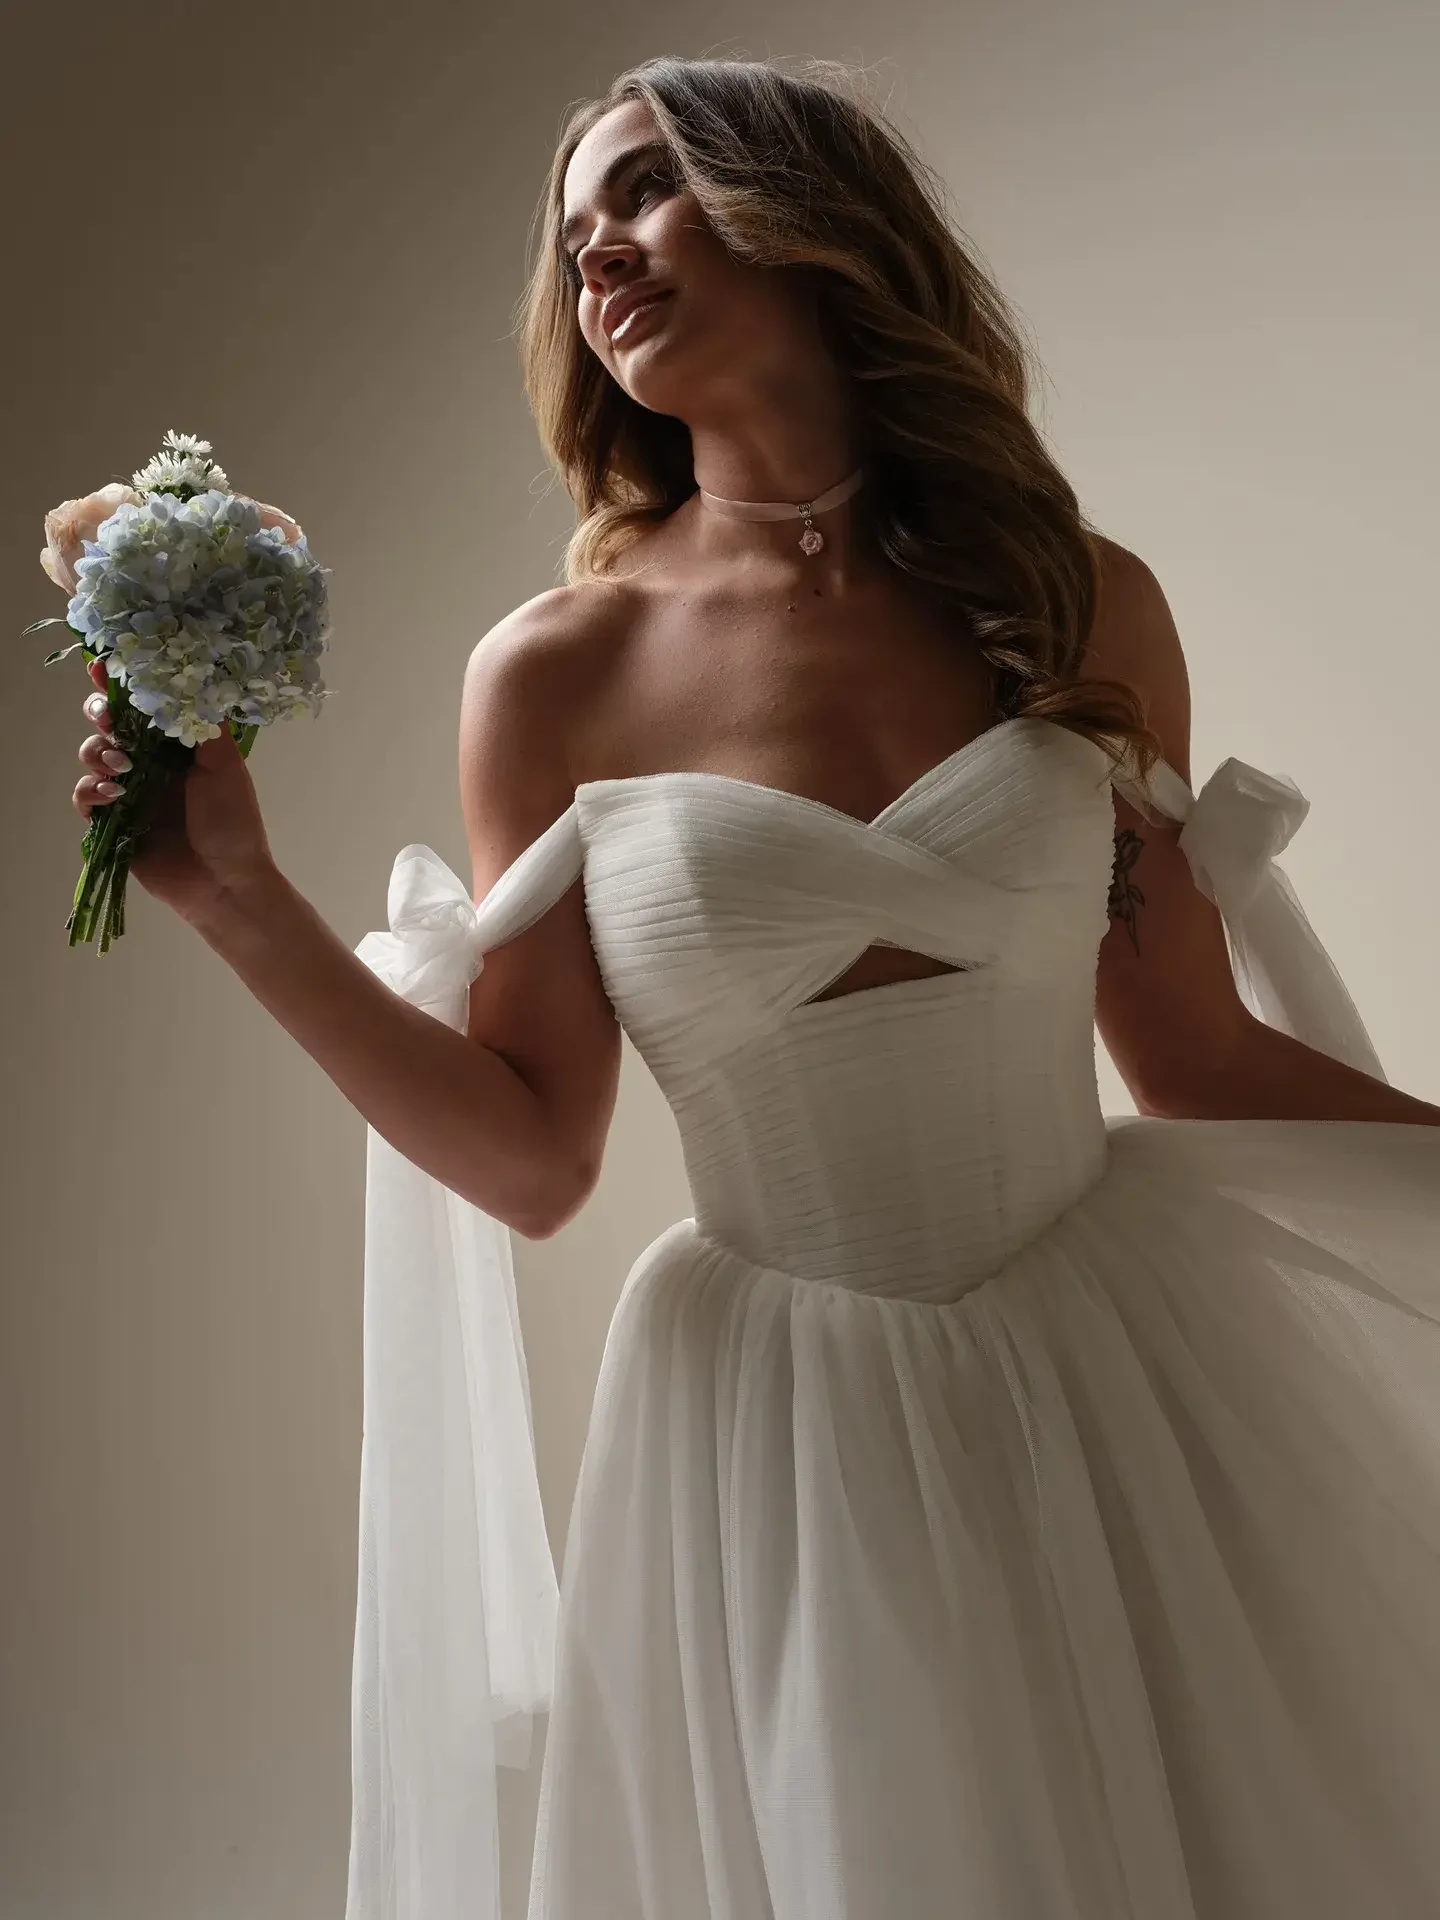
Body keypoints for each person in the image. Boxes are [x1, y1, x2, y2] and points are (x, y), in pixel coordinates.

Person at [73, 52, 1440, 1920]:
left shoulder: (1071, 598)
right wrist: (239, 898)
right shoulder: (555, 671)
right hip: (789, 1430)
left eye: (645, 188)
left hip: (1102, 1377)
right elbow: (535, 1156)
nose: (597, 254)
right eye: (574, 233)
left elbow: (1194, 1055)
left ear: (810, 215)